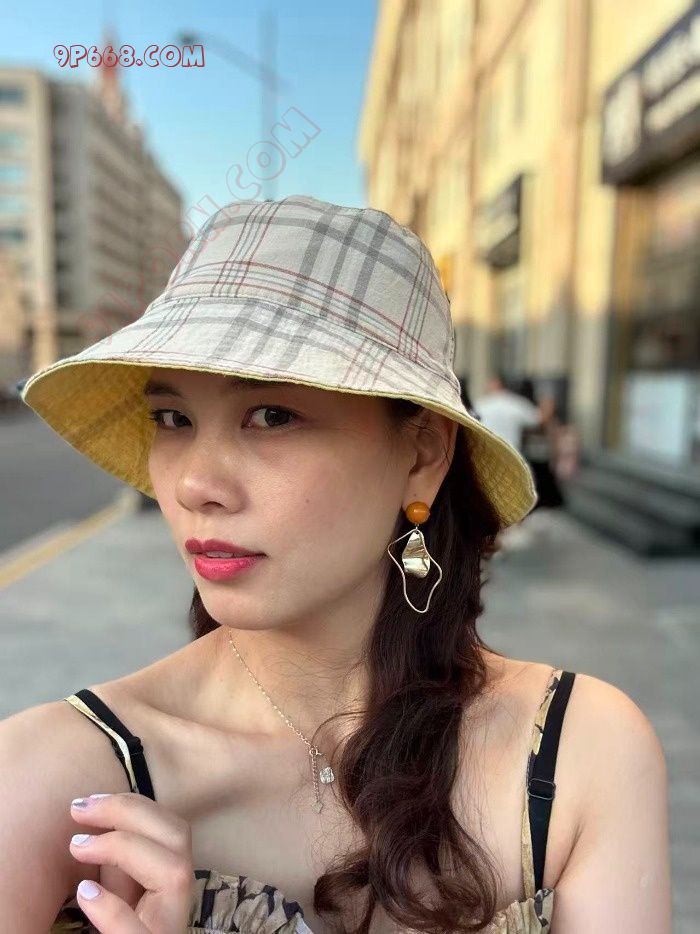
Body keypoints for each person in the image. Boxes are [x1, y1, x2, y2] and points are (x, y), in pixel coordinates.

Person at [2, 195, 670, 933]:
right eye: (173, 418)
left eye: (271, 415)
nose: (194, 484)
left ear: (422, 454)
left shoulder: (580, 756)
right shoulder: (55, 788)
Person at [473, 374, 543, 552]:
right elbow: (537, 419)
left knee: (489, 494)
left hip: (487, 455)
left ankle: (494, 534)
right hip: (512, 456)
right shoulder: (516, 403)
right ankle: (506, 530)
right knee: (509, 494)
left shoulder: (482, 403)